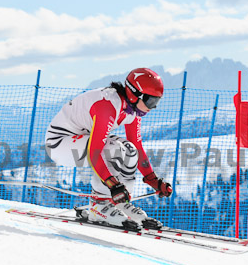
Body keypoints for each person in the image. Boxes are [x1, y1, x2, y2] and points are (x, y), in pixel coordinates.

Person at [45, 68, 173, 231]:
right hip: (59, 143)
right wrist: (113, 184)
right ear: (135, 94)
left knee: (129, 149)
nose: (153, 107)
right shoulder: (108, 105)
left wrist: (152, 179)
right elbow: (95, 152)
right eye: (150, 102)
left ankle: (120, 204)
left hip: (80, 139)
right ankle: (99, 206)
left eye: (157, 102)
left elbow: (137, 148)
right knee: (112, 149)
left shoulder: (132, 110)